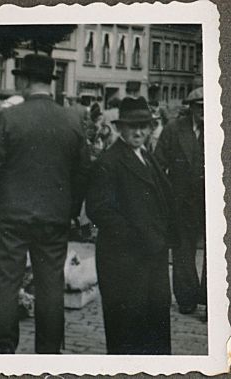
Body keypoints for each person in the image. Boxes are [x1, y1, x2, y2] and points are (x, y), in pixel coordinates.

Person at [0, 54, 89, 354]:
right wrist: (71, 210)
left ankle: (4, 348)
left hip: (13, 215)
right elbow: (82, 171)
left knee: (8, 283)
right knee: (51, 285)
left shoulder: (9, 118)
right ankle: (49, 352)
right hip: (54, 217)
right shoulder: (72, 119)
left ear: (25, 81)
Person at [86, 96, 176, 354]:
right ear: (120, 128)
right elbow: (99, 210)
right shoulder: (109, 162)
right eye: (132, 126)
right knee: (127, 333)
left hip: (150, 259)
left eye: (144, 126)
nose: (139, 131)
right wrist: (141, 237)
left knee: (153, 328)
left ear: (150, 128)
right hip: (124, 262)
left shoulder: (146, 156)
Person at [154, 87, 206, 317]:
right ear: (190, 107)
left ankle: (212, 299)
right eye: (199, 107)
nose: (204, 111)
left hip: (214, 202)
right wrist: (166, 196)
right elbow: (157, 165)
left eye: (207, 106)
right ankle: (186, 297)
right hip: (182, 201)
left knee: (217, 252)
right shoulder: (174, 130)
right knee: (183, 250)